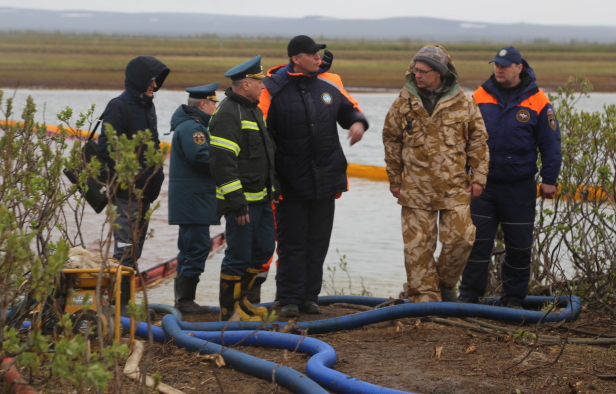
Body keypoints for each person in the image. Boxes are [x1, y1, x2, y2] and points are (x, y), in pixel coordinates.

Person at [260, 35, 369, 318]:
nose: (319, 58)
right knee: (292, 242)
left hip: (325, 178)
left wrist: (358, 122)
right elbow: (257, 129)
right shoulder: (272, 88)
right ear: (296, 58)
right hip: (289, 181)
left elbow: (349, 109)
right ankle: (288, 300)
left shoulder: (329, 83)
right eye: (313, 55)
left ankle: (310, 297)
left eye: (319, 54)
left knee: (317, 242)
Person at [382, 44, 489, 303]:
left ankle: (444, 285)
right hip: (415, 187)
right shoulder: (403, 103)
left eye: (423, 71)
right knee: (418, 248)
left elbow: (478, 141)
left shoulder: (463, 102)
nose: (417, 75)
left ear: (439, 73)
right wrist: (394, 179)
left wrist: (479, 178)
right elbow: (391, 139)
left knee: (462, 239)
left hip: (454, 187)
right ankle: (424, 298)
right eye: (415, 70)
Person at [459, 46, 561, 308]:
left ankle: (513, 299)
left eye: (504, 65)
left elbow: (550, 144)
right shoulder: (479, 96)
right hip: (483, 186)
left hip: (519, 186)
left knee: (519, 247)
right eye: (496, 65)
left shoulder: (538, 100)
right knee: (476, 245)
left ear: (519, 68)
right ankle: (469, 298)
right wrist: (463, 174)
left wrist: (549, 179)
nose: (499, 69)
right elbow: (462, 139)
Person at [209, 56, 279, 321]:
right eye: (259, 82)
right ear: (246, 84)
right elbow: (222, 164)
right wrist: (237, 203)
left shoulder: (253, 109)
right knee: (238, 256)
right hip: (242, 204)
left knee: (262, 250)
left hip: (261, 200)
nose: (263, 86)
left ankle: (245, 303)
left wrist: (273, 190)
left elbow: (264, 155)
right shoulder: (228, 114)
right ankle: (229, 312)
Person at [97, 56, 170, 301]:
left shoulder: (147, 106)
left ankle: (121, 304)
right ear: (140, 80)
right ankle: (119, 307)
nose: (155, 86)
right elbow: (105, 148)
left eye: (157, 81)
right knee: (125, 250)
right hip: (126, 194)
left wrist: (155, 176)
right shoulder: (119, 106)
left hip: (145, 194)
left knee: (135, 250)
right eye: (151, 80)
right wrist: (126, 179)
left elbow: (154, 145)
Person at [167, 83, 220, 315]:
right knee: (197, 246)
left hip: (193, 198)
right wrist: (227, 163)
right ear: (203, 104)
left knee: (189, 247)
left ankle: (183, 299)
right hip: (193, 199)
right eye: (213, 103)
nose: (215, 107)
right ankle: (185, 300)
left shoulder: (192, 125)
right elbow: (200, 157)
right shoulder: (192, 128)